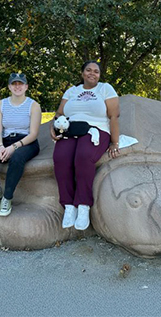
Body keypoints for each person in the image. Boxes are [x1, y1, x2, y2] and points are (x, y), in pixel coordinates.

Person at [51, 61, 120, 231]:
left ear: (99, 75)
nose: (92, 73)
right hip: (70, 129)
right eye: (88, 70)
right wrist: (52, 127)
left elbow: (114, 116)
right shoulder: (72, 91)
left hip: (96, 130)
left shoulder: (105, 88)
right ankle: (68, 205)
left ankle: (83, 205)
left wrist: (115, 141)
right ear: (82, 73)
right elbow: (59, 113)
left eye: (96, 71)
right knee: (60, 157)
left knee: (83, 155)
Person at [0, 73, 41, 217]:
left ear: (26, 87)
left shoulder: (33, 105)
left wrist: (14, 147)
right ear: (9, 87)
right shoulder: (1, 104)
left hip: (26, 142)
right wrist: (0, 147)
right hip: (5, 140)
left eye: (20, 84)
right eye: (14, 84)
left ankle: (7, 197)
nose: (17, 87)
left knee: (17, 158)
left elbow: (33, 134)